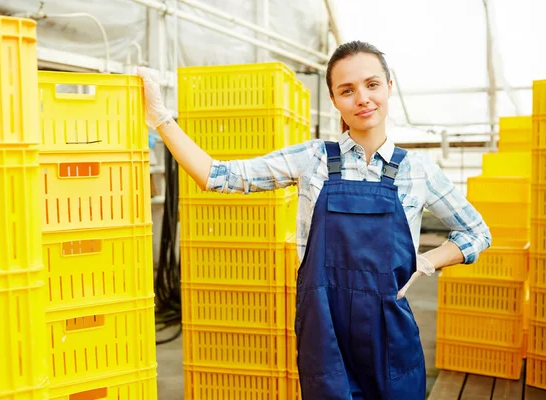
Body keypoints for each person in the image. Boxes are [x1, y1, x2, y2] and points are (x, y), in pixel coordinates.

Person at [138, 41, 491, 400]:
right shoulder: (313, 159)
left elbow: (477, 232)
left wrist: (426, 261)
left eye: (372, 85)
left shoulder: (419, 170)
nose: (362, 99)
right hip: (325, 330)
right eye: (347, 90)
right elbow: (219, 176)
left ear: (389, 87)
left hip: (390, 331)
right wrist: (161, 118)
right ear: (334, 99)